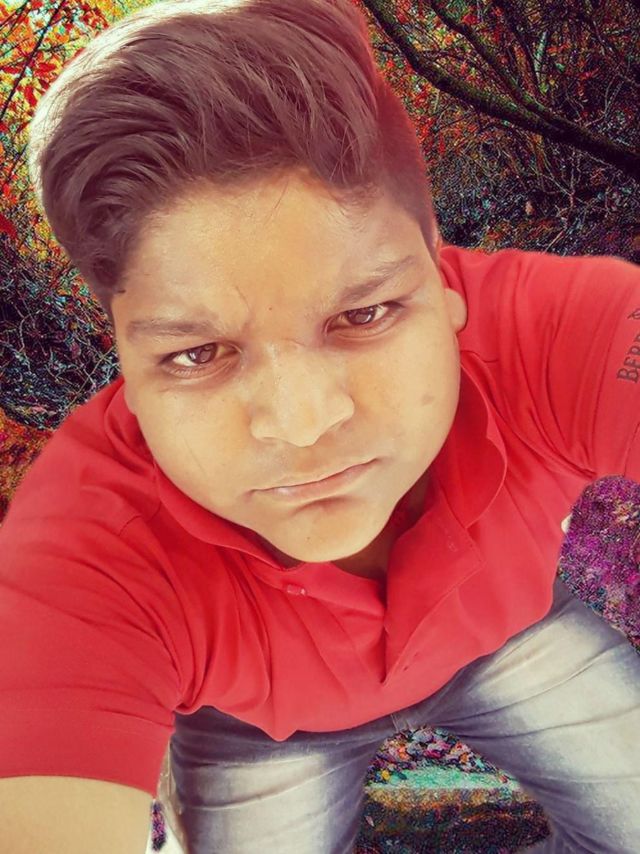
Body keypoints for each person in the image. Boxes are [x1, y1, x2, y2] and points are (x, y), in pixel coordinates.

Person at [1, 1, 639, 852]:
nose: (303, 425)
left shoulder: (548, 336)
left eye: (364, 314)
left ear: (441, 271)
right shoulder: (87, 544)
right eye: (197, 353)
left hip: (502, 638)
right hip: (262, 729)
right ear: (124, 353)